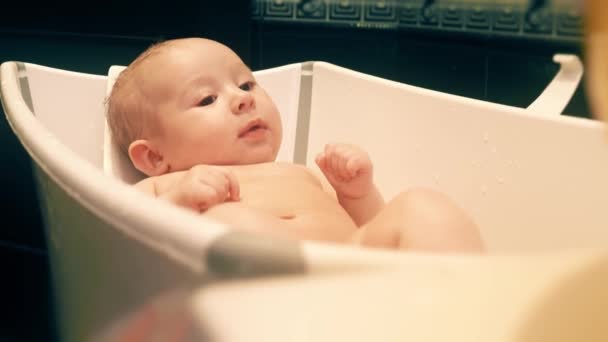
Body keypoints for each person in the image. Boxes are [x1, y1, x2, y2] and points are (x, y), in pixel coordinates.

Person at [106, 37, 484, 253]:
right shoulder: (169, 186)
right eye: (207, 99)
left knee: (420, 206)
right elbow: (119, 234)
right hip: (279, 298)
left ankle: (469, 313)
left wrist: (357, 193)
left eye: (246, 84)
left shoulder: (300, 173)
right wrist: (179, 203)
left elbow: (370, 227)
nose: (242, 99)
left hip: (357, 273)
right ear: (154, 157)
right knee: (228, 221)